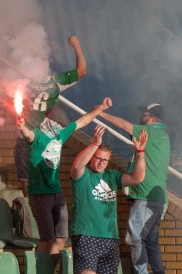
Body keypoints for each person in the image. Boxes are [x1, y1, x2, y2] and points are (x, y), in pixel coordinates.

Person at [17, 97, 112, 258]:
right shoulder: (38, 136)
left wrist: (100, 108)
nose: (60, 127)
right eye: (58, 123)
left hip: (56, 193)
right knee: (46, 239)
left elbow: (82, 121)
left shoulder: (60, 135)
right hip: (39, 195)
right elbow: (28, 134)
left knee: (61, 238)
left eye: (62, 125)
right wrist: (21, 127)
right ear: (49, 121)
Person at [70, 125, 147, 274]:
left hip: (109, 238)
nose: (100, 162)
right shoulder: (83, 175)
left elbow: (138, 178)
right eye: (98, 158)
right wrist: (94, 144)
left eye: (105, 160)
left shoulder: (112, 176)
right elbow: (76, 165)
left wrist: (141, 152)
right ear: (92, 157)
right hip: (86, 235)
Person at [99, 103, 170, 274]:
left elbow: (123, 125)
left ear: (153, 119)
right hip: (159, 198)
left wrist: (101, 113)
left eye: (145, 115)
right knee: (151, 240)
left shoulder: (150, 132)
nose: (142, 118)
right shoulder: (164, 136)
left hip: (145, 197)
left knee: (135, 238)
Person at [15, 35, 87, 197]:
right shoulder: (55, 82)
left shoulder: (22, 81)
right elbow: (82, 71)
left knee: (27, 180)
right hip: (44, 138)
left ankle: (32, 216)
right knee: (46, 178)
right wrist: (76, 45)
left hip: (24, 136)